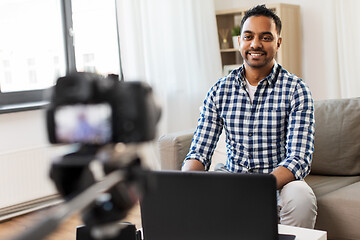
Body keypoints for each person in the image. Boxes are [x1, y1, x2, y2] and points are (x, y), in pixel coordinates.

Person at [182, 5, 317, 229]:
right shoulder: (219, 90)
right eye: (248, 37)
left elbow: (299, 158)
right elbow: (199, 151)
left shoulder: (296, 89)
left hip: (279, 184)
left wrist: (258, 187)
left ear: (278, 42)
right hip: (233, 177)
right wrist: (183, 184)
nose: (255, 44)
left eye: (265, 37)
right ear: (240, 42)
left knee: (301, 198)